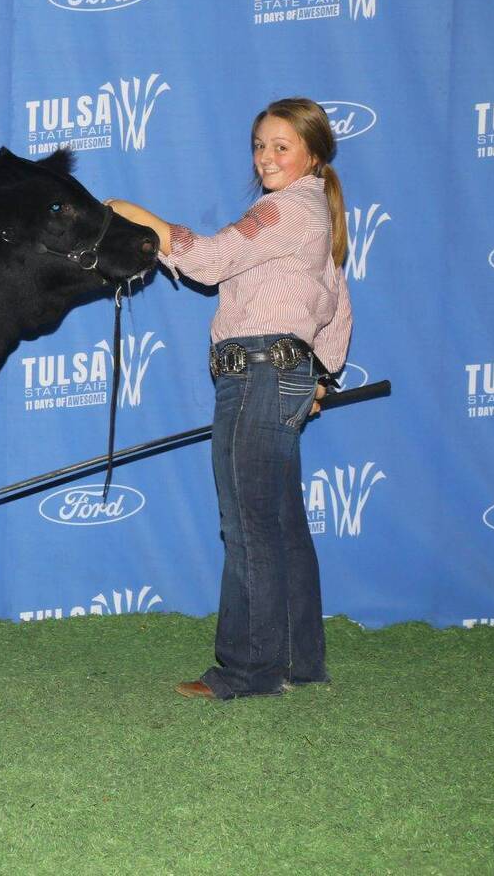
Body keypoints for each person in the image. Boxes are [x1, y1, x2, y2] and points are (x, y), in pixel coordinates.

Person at [108, 97, 353, 700]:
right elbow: (337, 302)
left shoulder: (284, 211)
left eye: (281, 146)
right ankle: (296, 660)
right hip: (281, 372)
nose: (266, 157)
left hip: (257, 376)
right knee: (279, 524)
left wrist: (143, 221)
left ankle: (249, 670)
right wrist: (320, 376)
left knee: (248, 526)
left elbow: (211, 262)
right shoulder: (313, 211)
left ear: (312, 155)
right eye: (260, 145)